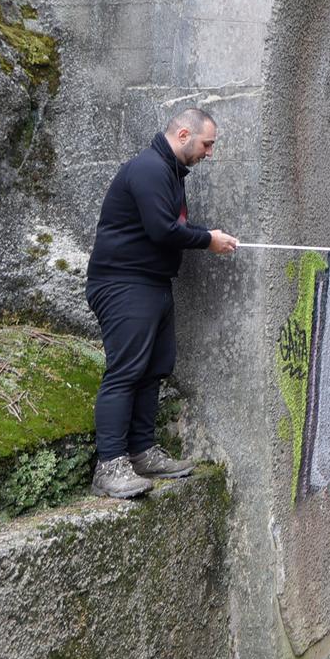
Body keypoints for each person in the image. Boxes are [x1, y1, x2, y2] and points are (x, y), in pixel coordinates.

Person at [84, 108, 239, 499]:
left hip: (151, 283)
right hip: (123, 283)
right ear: (184, 133)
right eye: (207, 144)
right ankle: (110, 466)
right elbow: (161, 229)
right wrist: (208, 239)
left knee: (154, 368)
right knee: (126, 370)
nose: (209, 153)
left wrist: (203, 237)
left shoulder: (169, 172)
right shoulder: (150, 168)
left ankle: (140, 452)